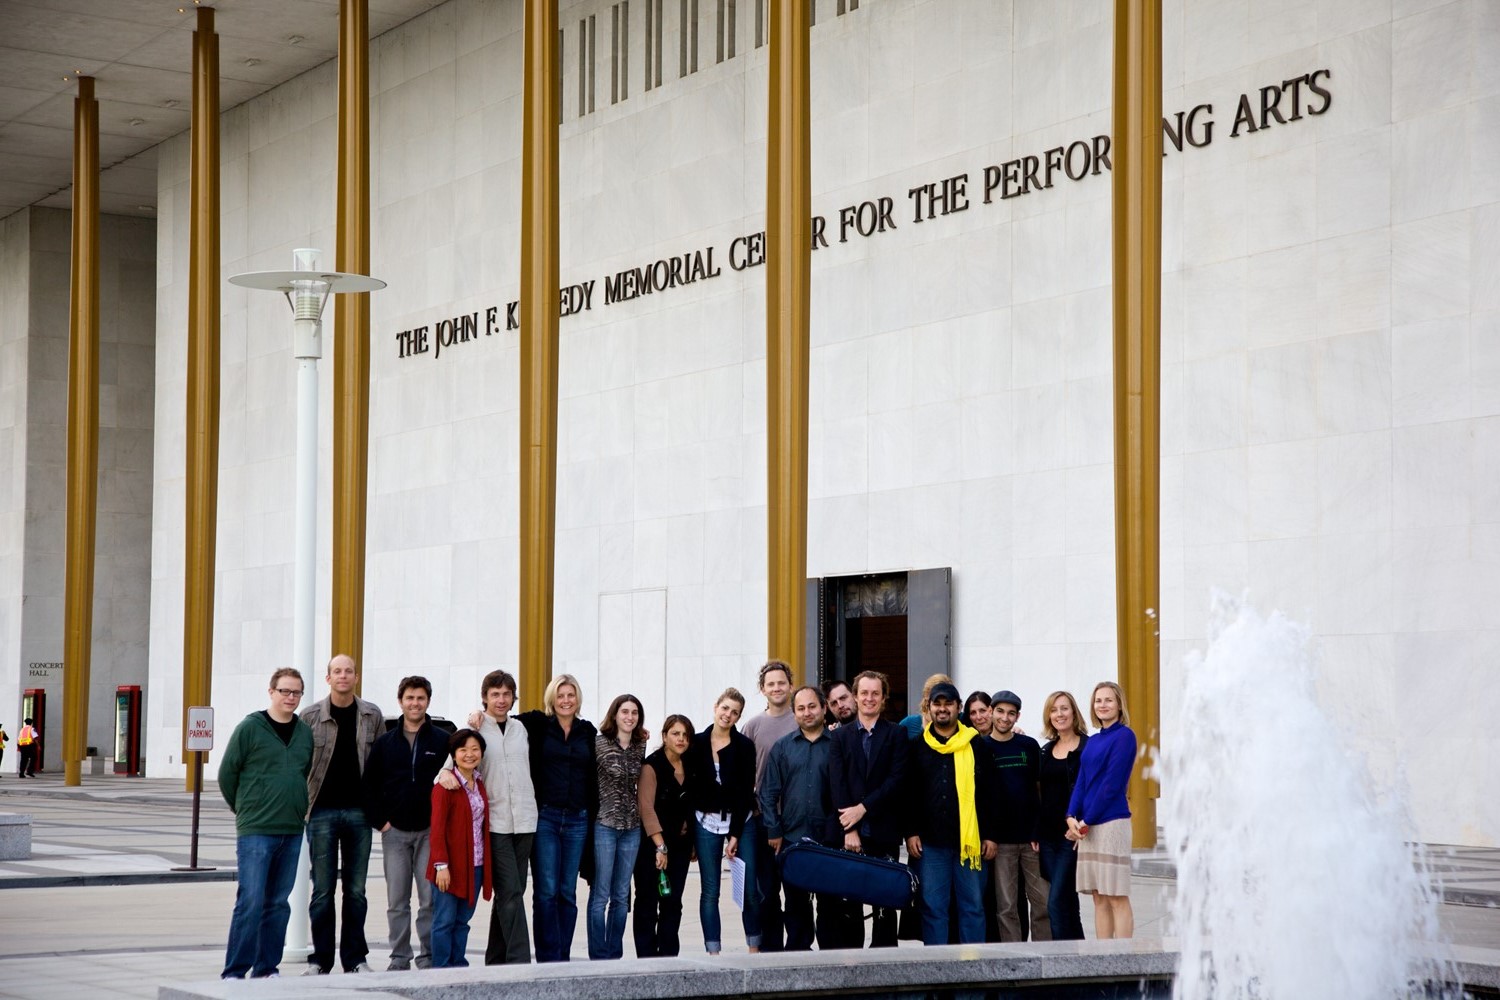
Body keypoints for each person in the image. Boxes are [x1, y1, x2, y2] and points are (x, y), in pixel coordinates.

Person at [219, 668, 314, 979]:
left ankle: (266, 968)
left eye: (296, 692)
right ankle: (235, 970)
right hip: (256, 831)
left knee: (277, 903)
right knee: (251, 900)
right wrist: (246, 810)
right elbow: (227, 774)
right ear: (271, 692)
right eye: (285, 691)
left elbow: (304, 773)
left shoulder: (303, 733)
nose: (290, 697)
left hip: (291, 829)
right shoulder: (250, 728)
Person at [300, 653, 384, 975]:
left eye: (348, 671)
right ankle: (320, 959)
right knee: (322, 891)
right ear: (328, 677)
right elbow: (301, 764)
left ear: (356, 677)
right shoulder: (310, 716)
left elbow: (378, 764)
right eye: (337, 671)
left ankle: (355, 959)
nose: (343, 676)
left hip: (359, 814)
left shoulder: (371, 715)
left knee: (356, 891)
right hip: (320, 812)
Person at [361, 675, 450, 970]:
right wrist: (382, 823)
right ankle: (399, 956)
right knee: (397, 901)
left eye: (421, 698)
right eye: (410, 698)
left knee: (429, 900)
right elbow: (369, 786)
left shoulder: (441, 741)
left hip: (429, 833)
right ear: (401, 701)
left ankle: (428, 956)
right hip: (395, 833)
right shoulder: (385, 742)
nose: (415, 703)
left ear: (428, 702)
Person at [905, 682, 998, 945]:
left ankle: (972, 976)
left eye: (948, 703)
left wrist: (990, 835)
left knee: (973, 908)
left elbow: (990, 794)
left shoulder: (977, 746)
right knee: (933, 909)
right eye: (938, 704)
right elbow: (909, 794)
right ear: (930, 708)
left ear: (958, 708)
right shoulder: (917, 747)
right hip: (931, 844)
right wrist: (910, 831)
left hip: (970, 843)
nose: (943, 709)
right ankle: (937, 976)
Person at [515, 673, 598, 962]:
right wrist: (478, 716)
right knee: (546, 891)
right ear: (552, 698)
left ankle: (563, 955)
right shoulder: (537, 725)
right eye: (560, 695)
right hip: (546, 818)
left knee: (567, 892)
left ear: (578, 699)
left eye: (570, 695)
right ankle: (549, 958)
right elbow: (500, 719)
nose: (566, 700)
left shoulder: (587, 731)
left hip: (578, 819)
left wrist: (640, 734)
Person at [826, 669, 910, 948]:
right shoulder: (839, 737)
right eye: (864, 693)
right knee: (850, 908)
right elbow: (837, 784)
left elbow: (897, 781)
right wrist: (850, 828)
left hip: (884, 832)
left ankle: (885, 967)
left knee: (885, 909)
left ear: (883, 697)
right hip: (850, 835)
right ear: (855, 696)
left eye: (876, 693)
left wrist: (863, 808)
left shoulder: (896, 734)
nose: (869, 698)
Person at [759, 685, 836, 950]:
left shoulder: (837, 745)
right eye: (801, 708)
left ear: (824, 708)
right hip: (792, 839)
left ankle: (828, 962)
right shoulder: (782, 748)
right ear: (794, 713)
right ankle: (797, 957)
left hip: (829, 839)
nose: (807, 713)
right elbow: (767, 792)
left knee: (829, 905)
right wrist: (773, 830)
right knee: (796, 904)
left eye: (812, 706)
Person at [468, 669, 537, 965]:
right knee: (510, 891)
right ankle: (520, 961)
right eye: (495, 694)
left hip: (525, 820)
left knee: (513, 890)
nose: (501, 699)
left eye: (506, 694)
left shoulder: (521, 728)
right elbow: (453, 767)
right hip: (495, 823)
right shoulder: (475, 730)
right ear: (484, 697)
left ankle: (496, 959)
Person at [684, 687, 758, 955]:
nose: (728, 714)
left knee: (750, 889)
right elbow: (691, 791)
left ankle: (754, 948)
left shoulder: (744, 747)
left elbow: (744, 792)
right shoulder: (696, 743)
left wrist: (736, 834)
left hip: (741, 821)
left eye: (735, 712)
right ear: (716, 707)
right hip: (706, 822)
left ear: (739, 717)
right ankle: (713, 951)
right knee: (710, 890)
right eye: (725, 708)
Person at [1067, 680, 1137, 940]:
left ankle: (1123, 957)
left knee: (1116, 895)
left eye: (1108, 700)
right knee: (1098, 896)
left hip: (1110, 824)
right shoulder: (1094, 740)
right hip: (1088, 826)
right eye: (1098, 700)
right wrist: (1070, 817)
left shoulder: (1125, 736)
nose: (1103, 705)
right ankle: (1103, 956)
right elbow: (1083, 781)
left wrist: (1085, 821)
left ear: (1119, 704)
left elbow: (1111, 785)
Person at [740, 659, 797, 952]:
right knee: (767, 891)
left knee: (797, 890)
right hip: (763, 819)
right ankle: (773, 950)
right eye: (770, 684)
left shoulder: (801, 718)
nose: (777, 688)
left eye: (781, 683)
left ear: (791, 685)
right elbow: (743, 774)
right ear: (762, 689)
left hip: (796, 820)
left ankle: (799, 947)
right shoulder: (752, 725)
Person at [587, 694, 646, 959]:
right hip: (605, 824)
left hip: (632, 827)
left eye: (634, 713)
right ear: (615, 714)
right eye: (625, 712)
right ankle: (598, 954)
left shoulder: (640, 746)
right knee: (601, 893)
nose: (630, 717)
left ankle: (615, 953)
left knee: (622, 895)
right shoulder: (599, 743)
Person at [987, 689, 1050, 942]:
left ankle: (1047, 956)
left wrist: (1039, 830)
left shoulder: (1029, 746)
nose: (1004, 718)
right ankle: (1013, 959)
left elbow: (1039, 791)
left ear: (1018, 716)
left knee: (1042, 903)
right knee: (1006, 906)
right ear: (991, 712)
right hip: (1001, 842)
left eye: (1011, 713)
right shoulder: (981, 747)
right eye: (1000, 711)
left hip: (1031, 839)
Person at [427, 729, 492, 967]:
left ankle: (458, 967)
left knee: (463, 921)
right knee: (444, 921)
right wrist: (440, 865)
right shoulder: (445, 786)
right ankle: (442, 970)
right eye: (463, 750)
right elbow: (437, 830)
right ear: (453, 754)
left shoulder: (480, 782)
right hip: (450, 866)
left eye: (475, 749)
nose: (469, 754)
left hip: (474, 863)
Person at [634, 714, 694, 957]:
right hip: (653, 846)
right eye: (675, 733)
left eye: (685, 735)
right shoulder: (652, 765)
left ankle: (669, 956)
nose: (680, 739)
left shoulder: (690, 764)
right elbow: (646, 807)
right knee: (648, 901)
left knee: (673, 902)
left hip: (680, 846)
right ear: (664, 736)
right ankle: (647, 958)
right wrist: (660, 847)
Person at [1037, 690, 1089, 940]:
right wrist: (1035, 831)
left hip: (1073, 836)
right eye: (1054, 709)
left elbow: (1095, 789)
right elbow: (1039, 794)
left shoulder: (1088, 747)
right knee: (1068, 901)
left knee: (1055, 902)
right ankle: (1079, 960)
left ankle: (1062, 965)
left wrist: (1081, 824)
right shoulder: (1045, 751)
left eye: (1064, 708)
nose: (1060, 714)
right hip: (1047, 838)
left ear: (1074, 712)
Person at [898, 673, 954, 741]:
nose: (942, 708)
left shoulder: (961, 722)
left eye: (947, 702)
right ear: (926, 698)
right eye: (936, 701)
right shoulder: (908, 724)